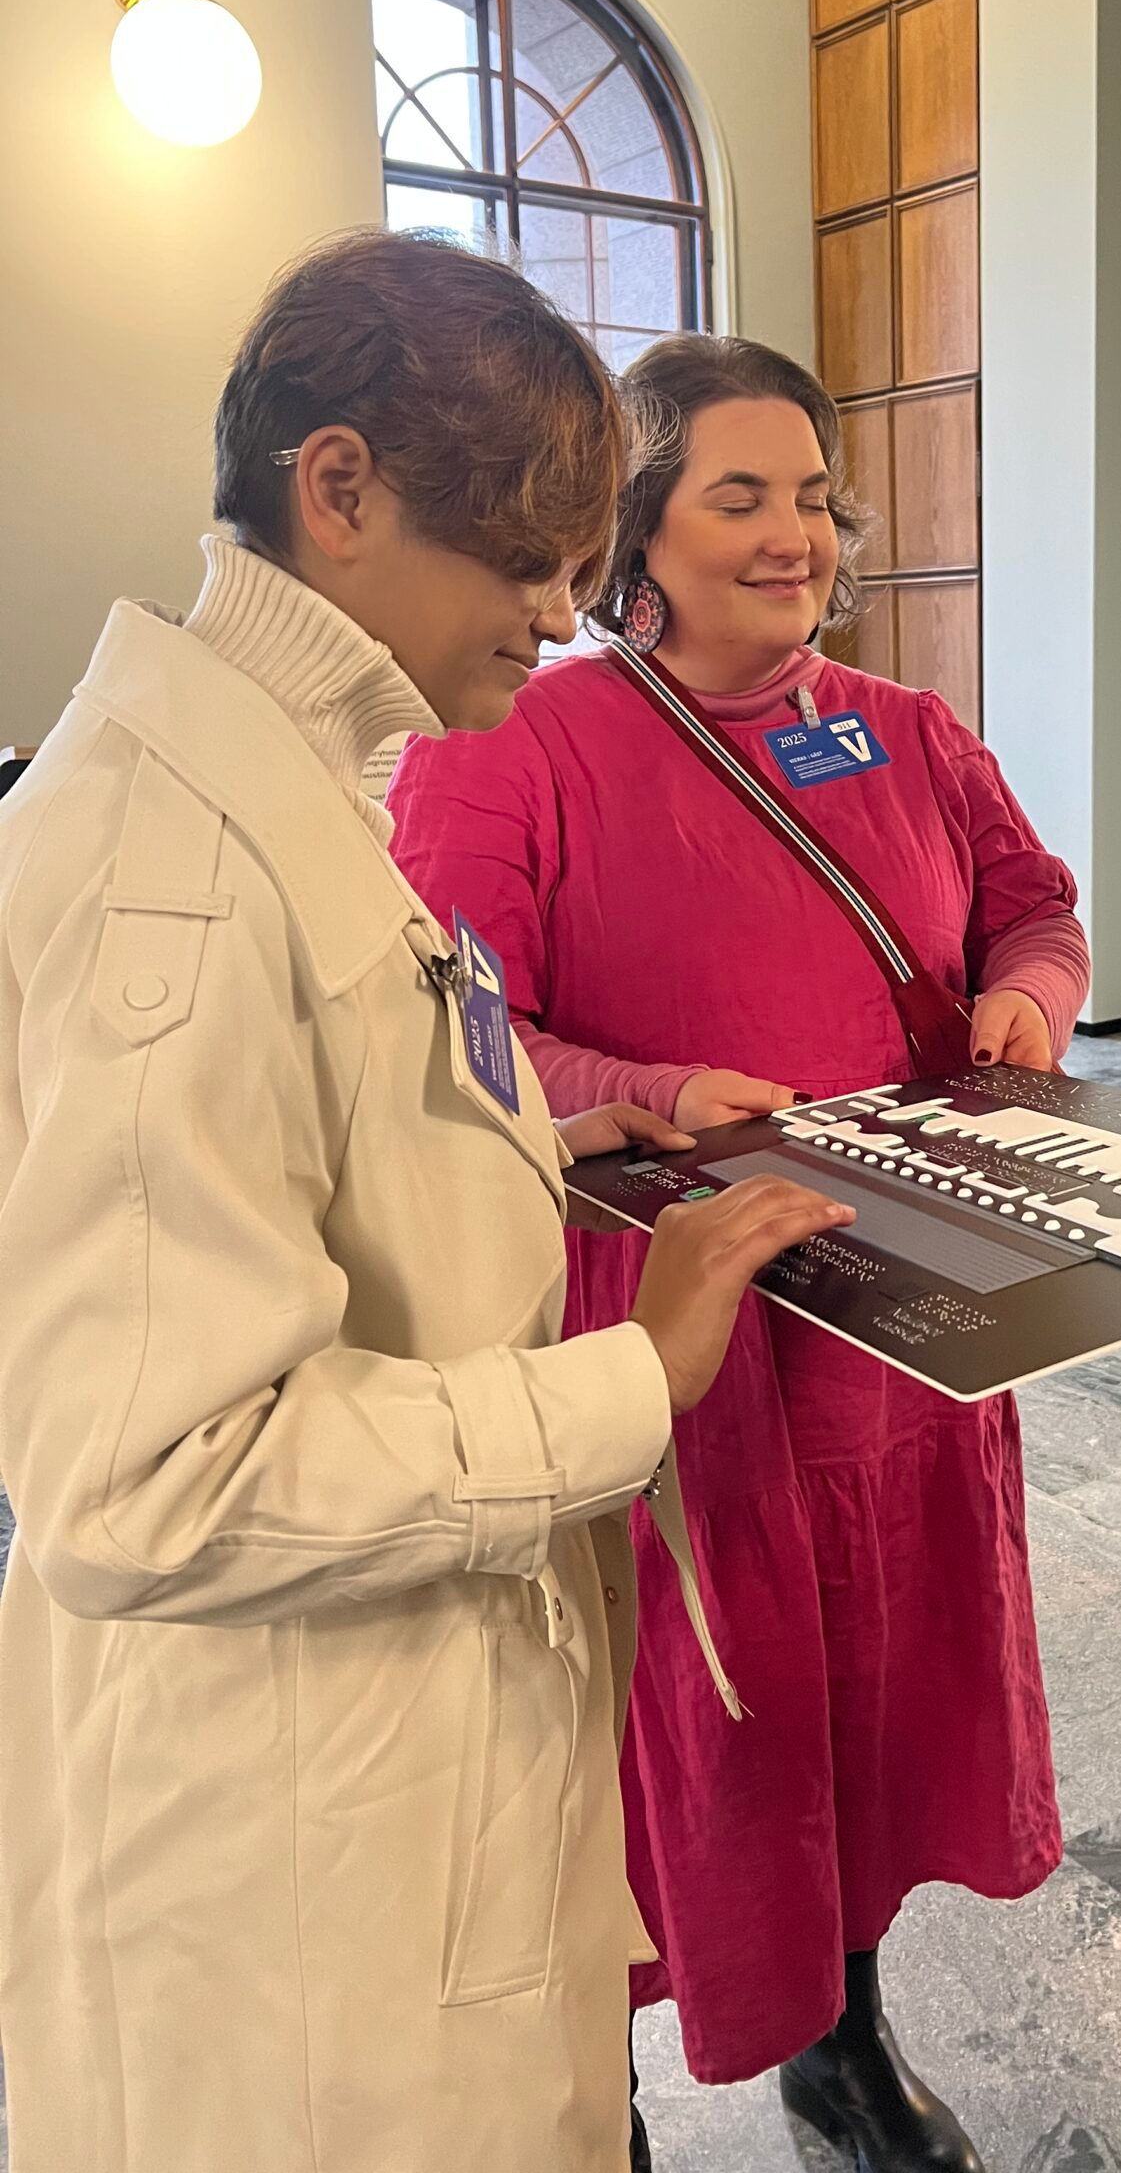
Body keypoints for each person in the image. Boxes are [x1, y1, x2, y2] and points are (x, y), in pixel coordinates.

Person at [0, 234, 853, 2173]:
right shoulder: (178, 872)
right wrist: (629, 1376)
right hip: (288, 1865)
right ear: (344, 487)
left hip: (382, 1763)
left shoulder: (283, 778)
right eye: (535, 560)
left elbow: (288, 1150)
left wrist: (528, 1148)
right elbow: (157, 1472)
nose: (564, 619)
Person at [387, 332, 1089, 2170]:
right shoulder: (522, 742)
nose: (796, 537)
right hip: (674, 1337)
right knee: (669, 1717)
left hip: (904, 1319)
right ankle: (584, 2086)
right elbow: (449, 1035)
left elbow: (1033, 900)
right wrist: (647, 1082)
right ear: (639, 524)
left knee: (864, 1694)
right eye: (740, 495)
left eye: (813, 498)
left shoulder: (907, 727)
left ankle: (841, 2036)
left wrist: (1024, 997)